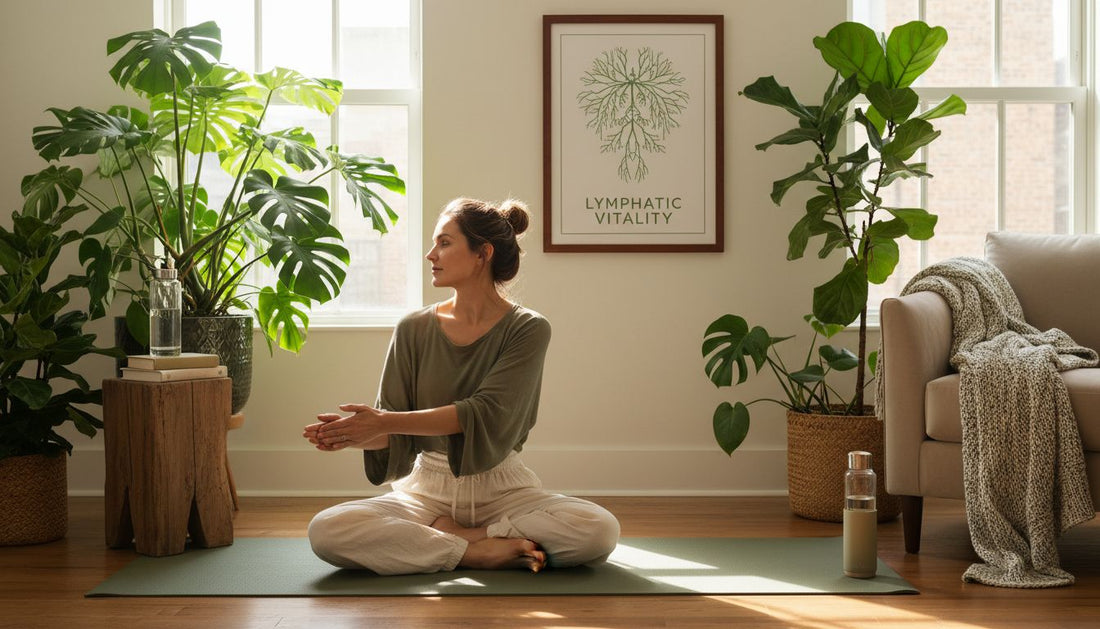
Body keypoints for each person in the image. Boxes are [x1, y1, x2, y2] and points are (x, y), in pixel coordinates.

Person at [303, 197, 621, 575]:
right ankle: (476, 552)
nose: (430, 254)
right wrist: (353, 434)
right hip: (426, 492)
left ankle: (461, 538)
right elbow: (396, 431)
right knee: (326, 531)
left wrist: (384, 422)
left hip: (503, 490)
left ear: (482, 253)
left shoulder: (528, 328)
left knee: (598, 530)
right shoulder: (412, 328)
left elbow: (485, 412)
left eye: (444, 243)